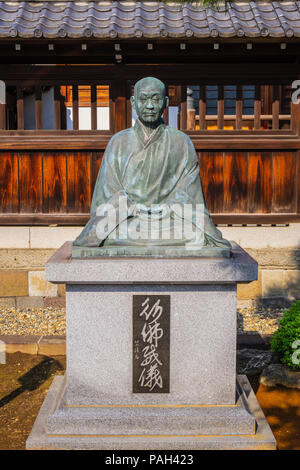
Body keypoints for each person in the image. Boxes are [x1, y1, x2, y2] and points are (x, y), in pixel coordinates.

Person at [73, 77, 230, 254]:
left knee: (193, 233)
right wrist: (133, 208)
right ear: (133, 102)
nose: (149, 106)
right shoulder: (118, 142)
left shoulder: (182, 142)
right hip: (127, 220)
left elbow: (189, 195)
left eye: (155, 99)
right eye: (143, 99)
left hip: (169, 219)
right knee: (106, 231)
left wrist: (165, 208)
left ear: (166, 102)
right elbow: (107, 195)